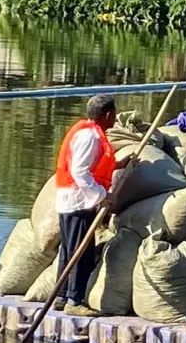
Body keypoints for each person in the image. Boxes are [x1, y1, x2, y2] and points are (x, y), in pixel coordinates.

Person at [54, 94, 132, 315]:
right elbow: (80, 172)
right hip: (77, 201)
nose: (115, 118)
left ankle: (61, 296)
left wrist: (119, 164)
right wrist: (102, 195)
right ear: (107, 115)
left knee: (70, 251)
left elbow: (95, 165)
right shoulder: (90, 137)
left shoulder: (89, 132)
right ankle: (74, 301)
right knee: (81, 253)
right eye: (114, 114)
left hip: (73, 199)